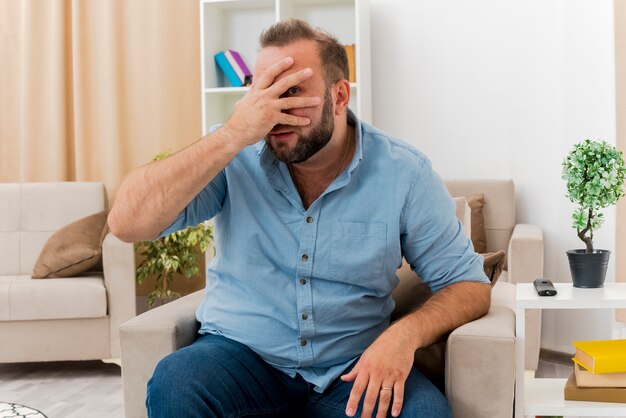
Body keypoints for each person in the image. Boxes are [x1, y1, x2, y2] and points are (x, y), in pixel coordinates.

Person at [108, 19, 491, 418]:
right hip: (240, 356)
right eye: (262, 93)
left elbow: (469, 284)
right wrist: (232, 134)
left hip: (352, 367)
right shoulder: (233, 152)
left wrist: (404, 335)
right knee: (177, 383)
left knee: (424, 414)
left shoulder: (405, 174)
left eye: (290, 92)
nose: (273, 112)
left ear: (339, 96)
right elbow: (126, 223)